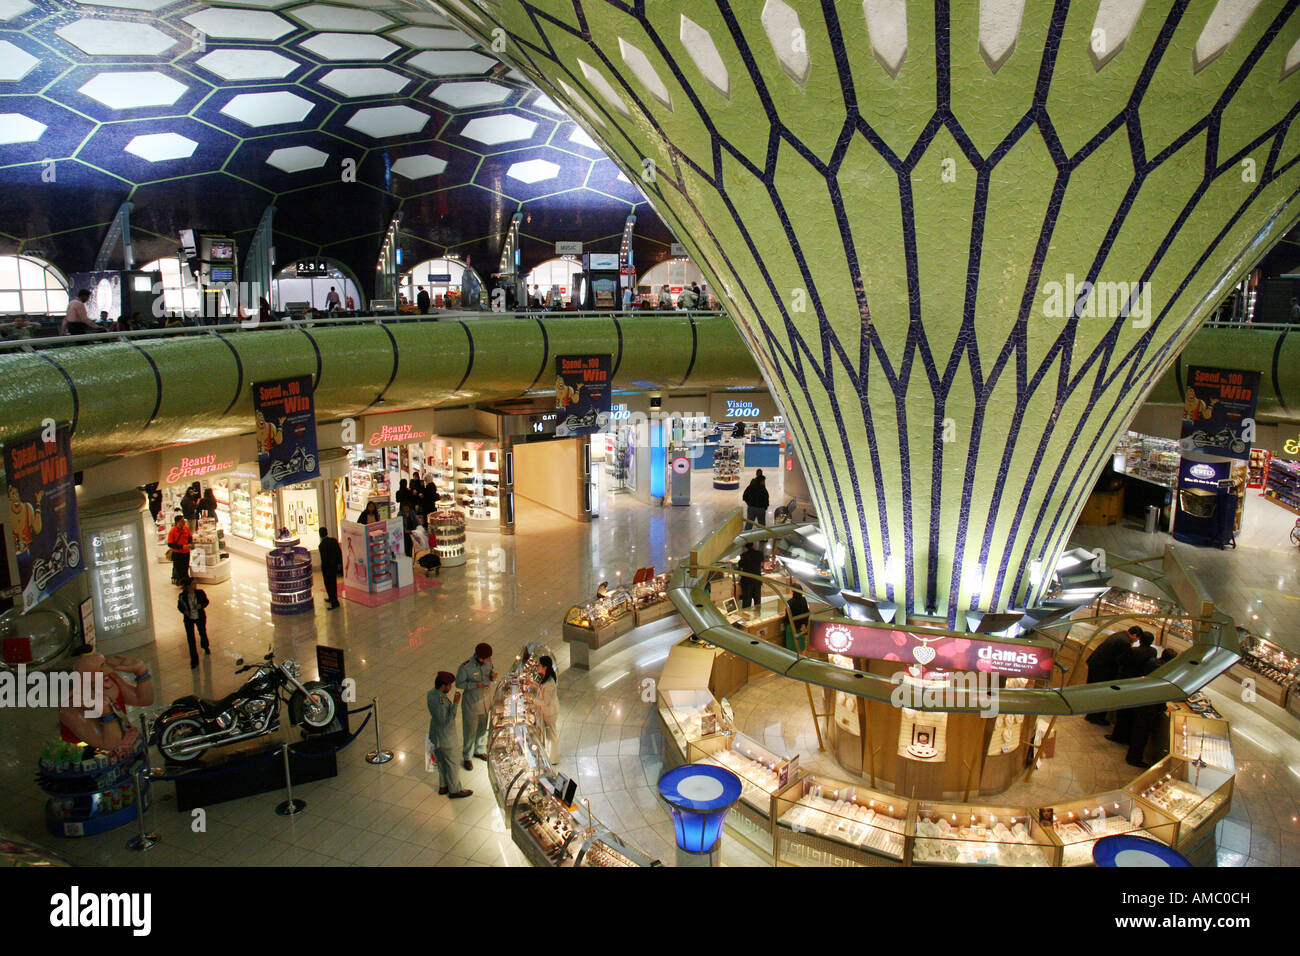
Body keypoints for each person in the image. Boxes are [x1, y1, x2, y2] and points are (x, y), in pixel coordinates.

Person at [59, 650, 154, 750]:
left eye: (105, 665)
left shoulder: (111, 680)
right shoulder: (71, 708)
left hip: (128, 749)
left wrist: (141, 671)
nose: (109, 671)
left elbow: (144, 700)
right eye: (100, 670)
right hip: (89, 758)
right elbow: (110, 745)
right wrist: (106, 712)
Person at [1126, 650, 1176, 768]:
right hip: (1149, 707)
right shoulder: (1164, 672)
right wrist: (1163, 707)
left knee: (1137, 730)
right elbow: (1160, 693)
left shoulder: (1151, 662)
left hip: (1140, 700)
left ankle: (1132, 754)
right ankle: (1134, 758)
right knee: (1141, 734)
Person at [1084, 625, 1143, 725]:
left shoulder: (1119, 635)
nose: (1136, 641)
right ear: (1134, 635)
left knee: (1094, 692)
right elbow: (1124, 659)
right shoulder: (1125, 642)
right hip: (1102, 669)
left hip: (1095, 664)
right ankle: (1097, 718)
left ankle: (1090, 715)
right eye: (1137, 638)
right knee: (1102, 694)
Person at [1107, 631, 1158, 744]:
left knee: (1122, 713)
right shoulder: (1153, 652)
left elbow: (1120, 661)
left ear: (1140, 640)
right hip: (1139, 686)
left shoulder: (1133, 651)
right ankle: (1127, 737)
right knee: (1131, 714)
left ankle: (1117, 736)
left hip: (1127, 684)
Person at [427, 672, 472, 798]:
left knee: (441, 761)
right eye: (449, 685)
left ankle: (443, 786)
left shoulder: (431, 694)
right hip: (446, 737)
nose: (451, 687)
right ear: (443, 686)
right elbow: (446, 721)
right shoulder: (441, 702)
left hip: (435, 735)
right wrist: (456, 703)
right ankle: (455, 790)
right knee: (452, 763)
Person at [455, 642, 496, 771]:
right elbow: (459, 683)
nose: (485, 661)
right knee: (470, 731)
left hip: (485, 702)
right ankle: (467, 756)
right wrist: (474, 685)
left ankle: (479, 750)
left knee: (482, 729)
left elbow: (490, 673)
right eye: (483, 658)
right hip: (472, 704)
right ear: (477, 655)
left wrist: (492, 677)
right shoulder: (465, 667)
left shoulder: (489, 661)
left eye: (487, 658)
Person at [176, 577, 210, 669]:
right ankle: (194, 660)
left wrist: (200, 606)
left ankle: (205, 646)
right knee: (191, 639)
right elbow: (179, 606)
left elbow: (206, 602)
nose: (195, 585)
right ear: (187, 586)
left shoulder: (200, 593)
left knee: (202, 632)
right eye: (193, 584)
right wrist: (184, 611)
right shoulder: (182, 596)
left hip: (199, 617)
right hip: (189, 619)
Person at [534, 656, 560, 762]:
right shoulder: (545, 677)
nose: (537, 666)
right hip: (547, 711)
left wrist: (531, 698)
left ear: (544, 667)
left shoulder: (549, 684)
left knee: (552, 734)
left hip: (550, 712)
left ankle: (554, 759)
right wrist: (531, 683)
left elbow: (545, 702)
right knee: (549, 733)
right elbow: (541, 687)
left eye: (539, 665)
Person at [737, 541, 765, 609]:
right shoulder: (760, 554)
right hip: (757, 581)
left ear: (745, 547)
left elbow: (740, 565)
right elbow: (762, 560)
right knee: (757, 602)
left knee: (746, 603)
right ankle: (758, 617)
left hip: (747, 582)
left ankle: (746, 618)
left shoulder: (744, 555)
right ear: (753, 545)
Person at [319, 527, 341, 609]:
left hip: (327, 568)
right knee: (333, 584)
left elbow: (324, 559)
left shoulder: (321, 545)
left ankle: (334, 602)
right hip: (334, 567)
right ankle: (332, 599)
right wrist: (339, 563)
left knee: (328, 585)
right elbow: (339, 552)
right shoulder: (334, 541)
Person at [166, 515, 192, 585]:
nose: (184, 522)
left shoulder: (186, 528)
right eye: (182, 521)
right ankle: (179, 581)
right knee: (178, 568)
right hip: (177, 553)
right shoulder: (172, 531)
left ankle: (186, 580)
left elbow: (190, 537)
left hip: (186, 553)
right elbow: (170, 544)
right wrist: (182, 547)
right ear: (177, 522)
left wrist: (189, 543)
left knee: (185, 567)